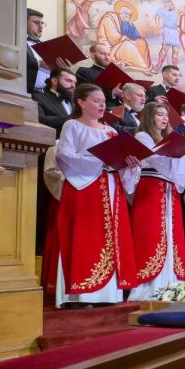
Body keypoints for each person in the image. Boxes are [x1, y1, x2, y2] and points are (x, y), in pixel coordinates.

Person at [54, 84, 138, 307]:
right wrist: (99, 160)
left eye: (103, 101)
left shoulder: (111, 131)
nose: (102, 105)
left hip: (111, 187)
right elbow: (64, 156)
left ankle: (108, 294)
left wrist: (129, 165)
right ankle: (81, 293)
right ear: (81, 102)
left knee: (111, 237)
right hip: (85, 187)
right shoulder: (72, 125)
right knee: (86, 236)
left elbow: (118, 162)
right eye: (96, 101)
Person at [119, 101, 185, 301]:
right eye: (159, 114)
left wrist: (183, 157)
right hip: (150, 188)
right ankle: (149, 287)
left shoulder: (168, 138)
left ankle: (170, 285)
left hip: (169, 190)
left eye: (166, 115)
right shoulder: (143, 136)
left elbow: (176, 171)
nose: (164, 118)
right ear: (150, 117)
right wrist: (176, 156)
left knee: (170, 235)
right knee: (150, 235)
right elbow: (155, 160)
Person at [34, 67, 76, 135]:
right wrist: (72, 119)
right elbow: (40, 120)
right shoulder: (38, 97)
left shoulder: (74, 102)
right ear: (54, 81)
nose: (73, 86)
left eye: (74, 83)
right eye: (68, 81)